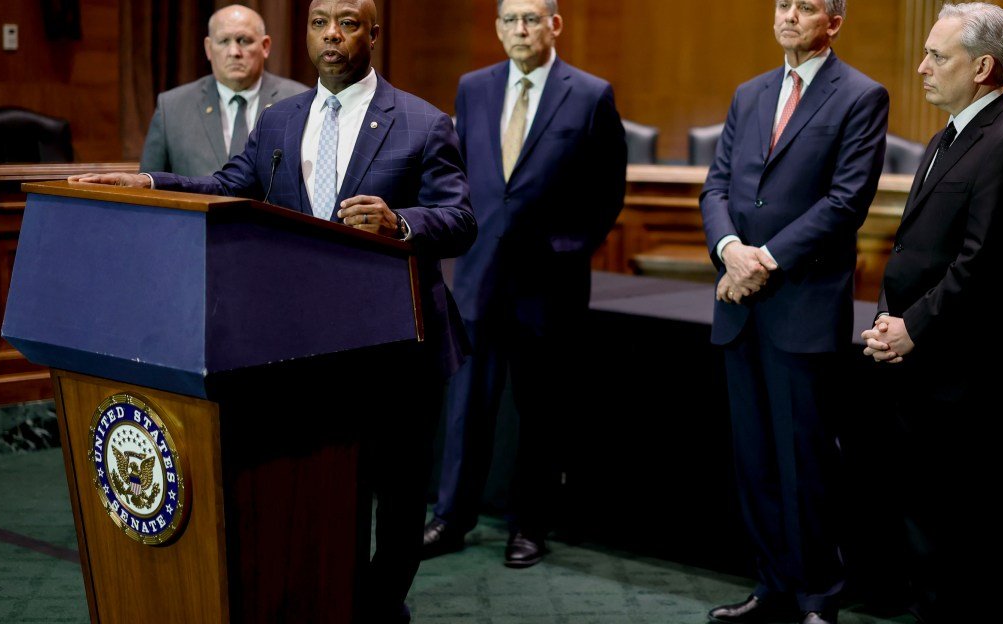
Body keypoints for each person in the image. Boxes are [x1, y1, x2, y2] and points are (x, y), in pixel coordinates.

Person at [71, 1, 475, 621]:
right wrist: (149, 183)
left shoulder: (422, 122)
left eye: (346, 22)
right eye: (319, 23)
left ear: (373, 32)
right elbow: (224, 185)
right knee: (323, 493)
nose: (331, 35)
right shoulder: (281, 122)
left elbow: (461, 220)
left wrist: (402, 222)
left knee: (396, 504)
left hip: (397, 350)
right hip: (301, 346)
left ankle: (378, 607)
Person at [700, 0, 888, 622]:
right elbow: (717, 187)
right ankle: (772, 586)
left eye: (805, 7)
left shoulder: (861, 96)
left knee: (805, 462)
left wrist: (763, 261)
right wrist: (729, 250)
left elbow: (845, 203)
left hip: (801, 305)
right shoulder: (749, 93)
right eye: (783, 4)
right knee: (753, 461)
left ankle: (817, 596)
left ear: (833, 22)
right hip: (740, 306)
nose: (788, 16)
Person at [422, 0, 626, 569]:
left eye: (531, 19)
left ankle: (528, 527)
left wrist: (567, 249)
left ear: (553, 25)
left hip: (549, 281)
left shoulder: (590, 94)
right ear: (497, 28)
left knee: (540, 410)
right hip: (478, 275)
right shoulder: (473, 87)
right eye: (510, 19)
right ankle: (452, 517)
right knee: (467, 406)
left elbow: (608, 191)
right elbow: (459, 174)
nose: (520, 29)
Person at [860, 3, 1003, 622]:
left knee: (953, 535)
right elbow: (913, 249)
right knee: (917, 522)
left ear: (983, 67)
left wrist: (912, 327)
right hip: (916, 362)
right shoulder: (948, 137)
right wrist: (891, 320)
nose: (921, 67)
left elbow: (982, 265)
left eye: (938, 56)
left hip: (962, 375)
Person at [139, 4, 306, 177]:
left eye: (244, 40)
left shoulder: (298, 101)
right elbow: (148, 188)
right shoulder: (172, 108)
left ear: (265, 46)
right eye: (224, 41)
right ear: (208, 48)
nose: (234, 52)